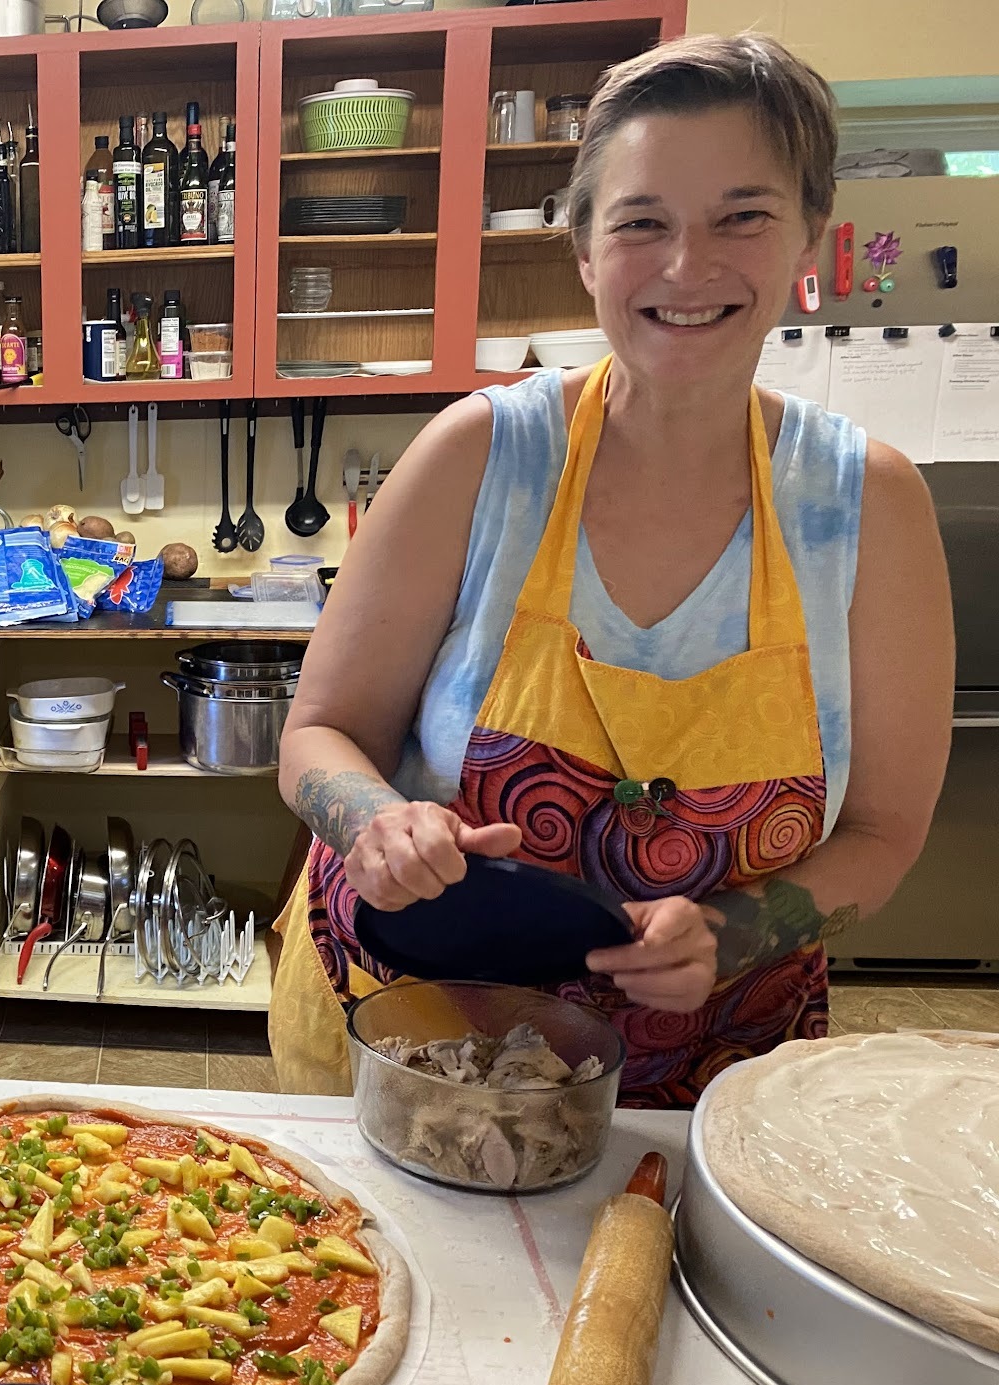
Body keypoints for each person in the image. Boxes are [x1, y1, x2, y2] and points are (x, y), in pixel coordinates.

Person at [269, 33, 953, 1107]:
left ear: (806, 237)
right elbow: (317, 735)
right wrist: (374, 821)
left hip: (707, 1076)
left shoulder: (867, 503)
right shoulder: (480, 456)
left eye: (741, 215)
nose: (687, 266)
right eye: (641, 223)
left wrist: (732, 932)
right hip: (414, 1048)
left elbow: (882, 832)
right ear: (584, 249)